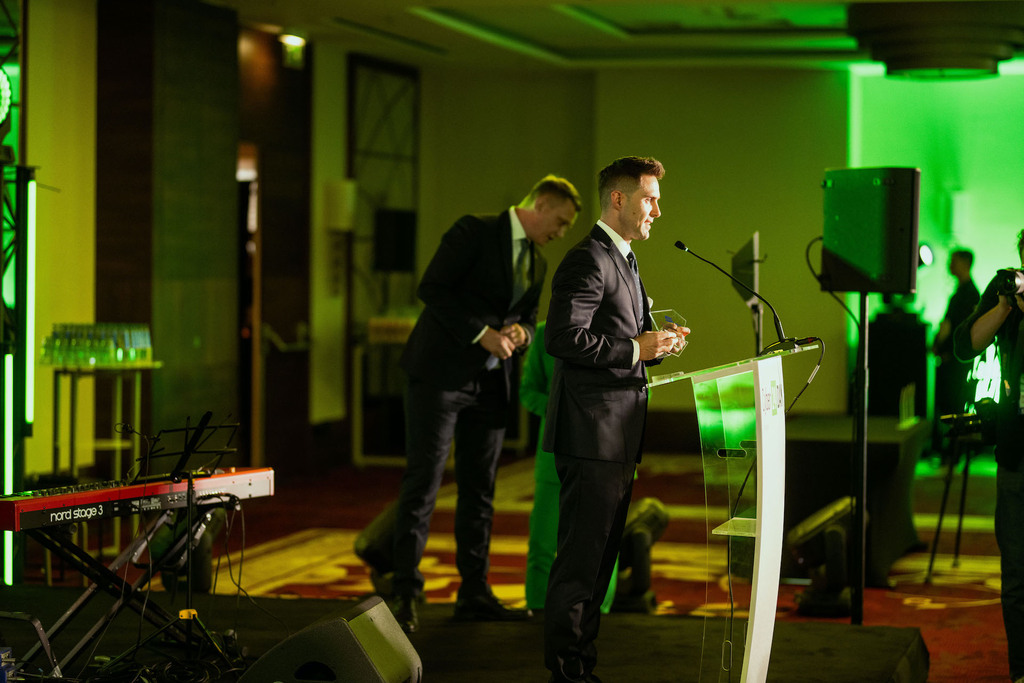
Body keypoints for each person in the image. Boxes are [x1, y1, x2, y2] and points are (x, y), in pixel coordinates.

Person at [391, 175, 582, 634]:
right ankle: (404, 593)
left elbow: (529, 318)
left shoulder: (537, 262)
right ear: (540, 205)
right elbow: (433, 289)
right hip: (439, 376)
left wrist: (522, 333)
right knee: (424, 483)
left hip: (492, 385)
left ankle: (474, 592)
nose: (561, 233)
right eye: (560, 222)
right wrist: (482, 334)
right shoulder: (473, 231)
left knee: (480, 491)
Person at [542, 156, 687, 683]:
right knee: (580, 563)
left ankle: (582, 665)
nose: (657, 211)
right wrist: (633, 349)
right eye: (650, 199)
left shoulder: (624, 258)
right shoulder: (588, 259)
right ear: (619, 199)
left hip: (618, 434)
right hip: (592, 436)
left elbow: (626, 337)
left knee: (600, 562)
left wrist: (658, 345)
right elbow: (563, 337)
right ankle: (566, 670)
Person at [953, 230, 1024, 683]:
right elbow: (965, 346)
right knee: (1016, 573)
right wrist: (1003, 308)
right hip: (1016, 451)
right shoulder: (1006, 290)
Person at [520, 321, 619, 615]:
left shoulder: (620, 328)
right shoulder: (545, 332)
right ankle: (538, 608)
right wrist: (565, 407)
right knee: (543, 541)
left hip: (606, 450)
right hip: (555, 449)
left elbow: (642, 392)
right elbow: (528, 391)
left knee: (602, 542)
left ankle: (598, 610)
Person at [933, 249, 980, 428]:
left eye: (954, 261)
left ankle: (951, 441)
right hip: (959, 359)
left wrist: (938, 345)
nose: (950, 265)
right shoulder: (969, 293)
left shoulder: (966, 295)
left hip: (954, 360)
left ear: (965, 264)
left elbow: (949, 325)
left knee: (951, 404)